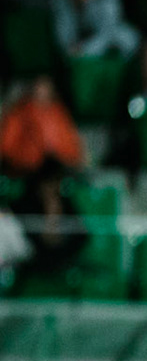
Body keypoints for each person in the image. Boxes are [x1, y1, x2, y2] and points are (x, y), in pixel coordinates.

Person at [0, 76, 86, 269]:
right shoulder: (20, 114)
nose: (42, 94)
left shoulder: (58, 114)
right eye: (39, 89)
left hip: (49, 173)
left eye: (47, 89)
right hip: (24, 178)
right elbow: (8, 148)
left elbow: (72, 153)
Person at [52, 0, 139, 60]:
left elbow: (108, 31)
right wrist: (69, 48)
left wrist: (84, 49)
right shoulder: (64, 0)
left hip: (115, 40)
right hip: (82, 42)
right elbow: (64, 28)